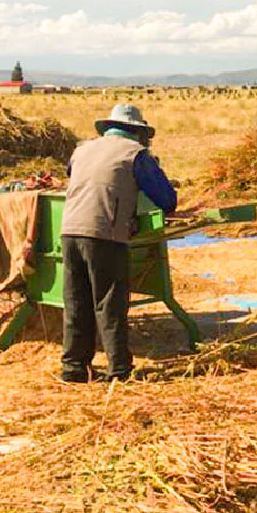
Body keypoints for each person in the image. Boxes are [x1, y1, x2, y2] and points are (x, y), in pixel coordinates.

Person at [60, 104, 177, 383]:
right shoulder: (135, 154)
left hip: (69, 231)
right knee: (109, 303)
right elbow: (167, 200)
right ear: (137, 132)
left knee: (77, 301)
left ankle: (74, 368)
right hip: (104, 232)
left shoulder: (82, 150)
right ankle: (119, 370)